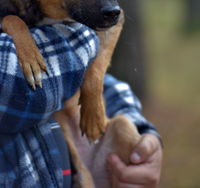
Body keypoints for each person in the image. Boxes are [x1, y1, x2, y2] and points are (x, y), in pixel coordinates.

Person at [0, 22, 162, 187]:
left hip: (96, 158)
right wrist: (89, 31)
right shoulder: (79, 40)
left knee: (123, 126)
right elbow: (27, 86)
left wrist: (143, 138)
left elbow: (82, 75)